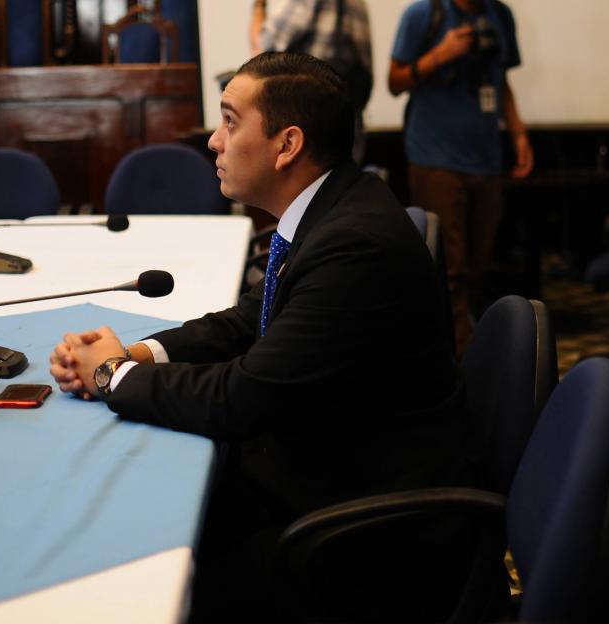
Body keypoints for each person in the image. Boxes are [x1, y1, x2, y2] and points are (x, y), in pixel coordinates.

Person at [49, 52, 471, 620]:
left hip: (361, 531)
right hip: (323, 470)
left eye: (229, 121)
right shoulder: (332, 210)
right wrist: (138, 352)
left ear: (287, 144)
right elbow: (250, 320)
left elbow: (244, 398)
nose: (213, 143)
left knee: (137, 564)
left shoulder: (354, 244)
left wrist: (111, 376)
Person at [390, 0, 533, 357]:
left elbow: (502, 82)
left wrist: (517, 135)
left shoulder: (499, 14)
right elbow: (395, 81)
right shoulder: (423, 13)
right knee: (447, 270)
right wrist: (442, 54)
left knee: (478, 267)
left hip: (487, 160)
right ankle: (459, 366)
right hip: (435, 159)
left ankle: (472, 352)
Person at [249, 0, 372, 162]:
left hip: (303, 132)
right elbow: (365, 75)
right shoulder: (357, 4)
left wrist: (259, 7)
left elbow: (263, 50)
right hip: (347, 132)